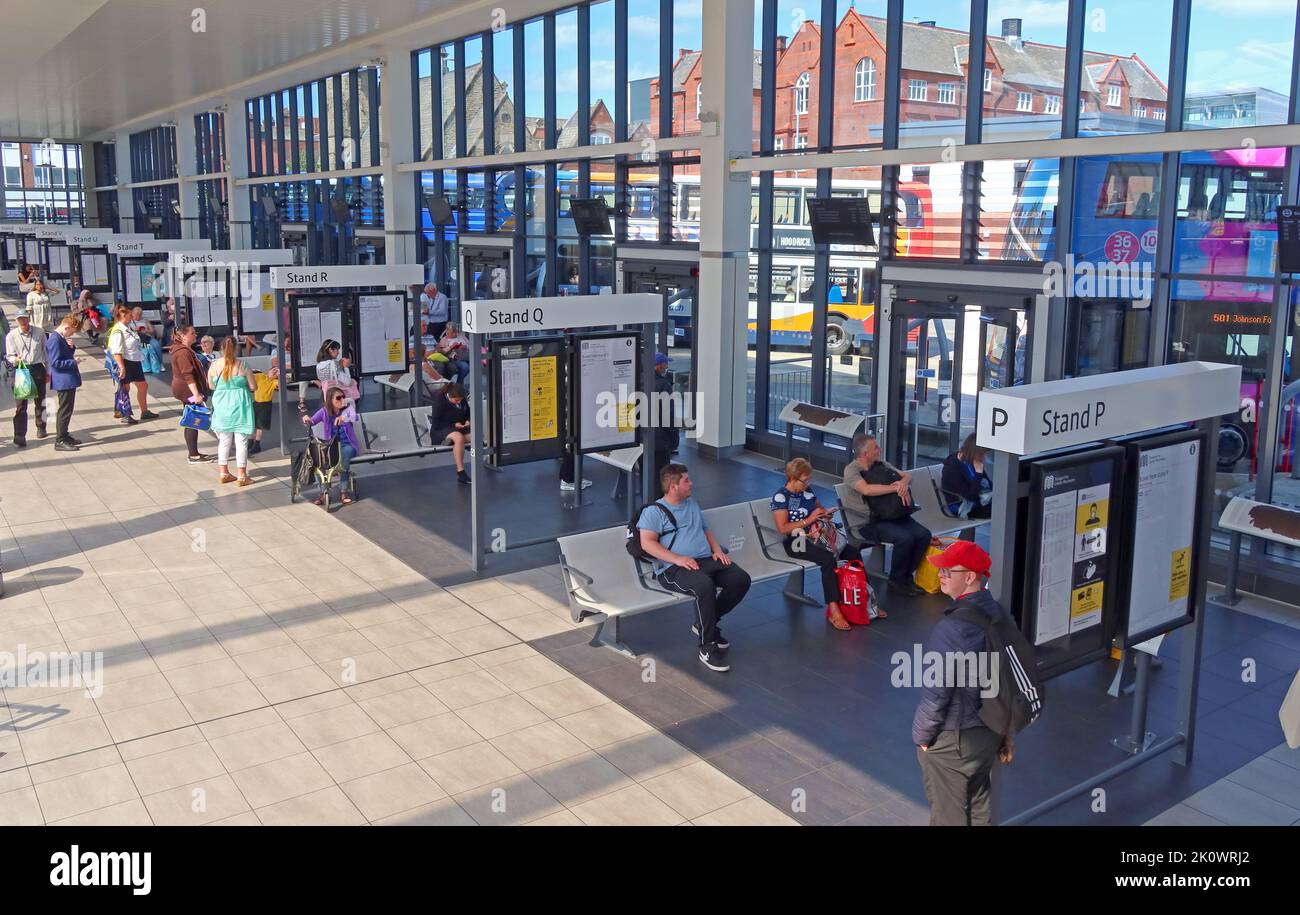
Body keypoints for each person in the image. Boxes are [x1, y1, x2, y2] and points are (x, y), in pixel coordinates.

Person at [912, 541, 1012, 827]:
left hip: (955, 738)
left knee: (948, 816)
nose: (940, 574)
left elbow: (936, 692)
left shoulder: (954, 628)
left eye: (948, 570)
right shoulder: (998, 613)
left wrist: (922, 737)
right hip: (989, 729)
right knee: (980, 803)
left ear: (969, 577)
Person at [637, 463, 751, 673]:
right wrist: (678, 559)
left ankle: (706, 622)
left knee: (741, 579)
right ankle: (707, 646)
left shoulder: (691, 503)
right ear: (673, 486)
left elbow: (705, 529)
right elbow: (647, 543)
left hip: (705, 559)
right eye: (686, 480)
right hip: (672, 569)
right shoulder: (654, 512)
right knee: (704, 587)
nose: (691, 483)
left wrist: (717, 550)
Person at [771, 458, 881, 630]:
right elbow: (783, 528)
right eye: (805, 480)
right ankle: (834, 608)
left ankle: (867, 599)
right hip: (796, 541)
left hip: (817, 536)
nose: (808, 484)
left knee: (852, 553)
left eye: (809, 480)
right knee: (827, 559)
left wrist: (825, 514)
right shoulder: (780, 496)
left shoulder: (808, 492)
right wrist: (809, 520)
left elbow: (819, 510)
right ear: (792, 478)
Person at [842, 433, 931, 598]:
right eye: (875, 447)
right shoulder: (852, 470)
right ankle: (896, 580)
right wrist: (896, 488)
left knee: (924, 535)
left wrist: (902, 484)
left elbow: (907, 476)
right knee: (905, 538)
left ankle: (906, 576)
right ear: (864, 453)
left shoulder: (881, 464)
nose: (879, 450)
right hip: (869, 522)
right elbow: (866, 489)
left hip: (893, 514)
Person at [207, 336, 257, 486]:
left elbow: (210, 386)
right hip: (240, 405)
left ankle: (224, 473)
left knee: (224, 441)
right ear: (236, 348)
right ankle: (242, 476)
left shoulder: (214, 366)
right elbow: (254, 387)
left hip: (221, 405)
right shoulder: (243, 366)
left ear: (221, 349)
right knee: (241, 441)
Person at [302, 387, 359, 506]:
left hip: (348, 445)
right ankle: (323, 493)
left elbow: (354, 416)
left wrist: (343, 417)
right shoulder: (324, 412)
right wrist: (306, 419)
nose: (342, 399)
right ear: (330, 400)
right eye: (338, 398)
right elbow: (312, 421)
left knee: (343, 459)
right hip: (331, 447)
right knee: (318, 462)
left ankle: (344, 492)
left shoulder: (348, 409)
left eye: (343, 397)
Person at [169, 324, 215, 463]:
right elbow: (188, 375)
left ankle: (193, 452)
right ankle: (193, 455)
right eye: (193, 333)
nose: (196, 335)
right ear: (183, 336)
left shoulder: (184, 349)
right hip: (187, 390)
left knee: (191, 419)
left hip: (184, 388)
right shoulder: (183, 352)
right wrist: (196, 394)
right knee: (192, 420)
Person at [4, 309, 48, 446]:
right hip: (22, 369)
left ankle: (41, 426)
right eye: (20, 319)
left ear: (29, 318)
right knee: (21, 405)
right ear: (17, 321)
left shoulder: (39, 332)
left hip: (37, 368)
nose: (23, 321)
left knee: (40, 400)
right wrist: (15, 359)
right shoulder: (11, 336)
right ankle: (19, 435)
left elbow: (46, 352)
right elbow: (9, 355)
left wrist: (48, 371)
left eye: (25, 318)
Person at [106, 305, 154, 422]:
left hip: (134, 361)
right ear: (123, 315)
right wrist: (122, 367)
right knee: (124, 388)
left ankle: (144, 411)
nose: (131, 316)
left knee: (143, 386)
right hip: (125, 362)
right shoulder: (118, 330)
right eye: (129, 314)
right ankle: (124, 413)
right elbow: (117, 351)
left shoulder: (127, 327)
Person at [44, 315, 83, 451]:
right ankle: (60, 440)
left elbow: (63, 354)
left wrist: (71, 348)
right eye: (71, 331)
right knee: (64, 410)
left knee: (67, 408)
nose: (71, 334)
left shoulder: (60, 338)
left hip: (67, 379)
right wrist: (73, 362)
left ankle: (64, 435)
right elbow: (55, 362)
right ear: (66, 327)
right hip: (63, 380)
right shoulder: (54, 339)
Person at [941, 433, 992, 521]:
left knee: (1007, 505)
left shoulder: (972, 460)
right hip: (961, 505)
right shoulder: (952, 468)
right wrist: (978, 474)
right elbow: (970, 496)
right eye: (982, 454)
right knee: (1001, 510)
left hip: (977, 500)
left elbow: (989, 485)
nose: (984, 457)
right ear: (975, 451)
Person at [429, 383, 471, 484]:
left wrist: (468, 421)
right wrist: (454, 425)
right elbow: (436, 423)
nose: (459, 402)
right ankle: (460, 471)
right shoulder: (440, 402)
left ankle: (452, 442)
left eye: (460, 400)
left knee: (475, 437)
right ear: (449, 396)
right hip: (441, 429)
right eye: (456, 400)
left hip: (459, 428)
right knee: (459, 438)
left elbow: (468, 413)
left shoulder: (462, 400)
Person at [651, 352, 679, 487]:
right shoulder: (664, 385)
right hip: (660, 441)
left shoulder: (639, 381)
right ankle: (661, 506)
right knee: (662, 477)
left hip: (643, 440)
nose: (667, 366)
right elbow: (668, 416)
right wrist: (674, 439)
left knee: (648, 477)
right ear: (659, 366)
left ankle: (648, 505)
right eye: (665, 363)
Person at [249, 356, 279, 455]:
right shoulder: (261, 376)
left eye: (276, 372)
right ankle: (250, 441)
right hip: (256, 402)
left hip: (266, 404)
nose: (274, 373)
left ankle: (257, 444)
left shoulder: (274, 382)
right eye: (273, 371)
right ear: (269, 371)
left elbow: (280, 385)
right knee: (252, 422)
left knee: (260, 425)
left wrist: (281, 376)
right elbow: (251, 376)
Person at [130, 305, 163, 374]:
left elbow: (152, 331)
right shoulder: (129, 321)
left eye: (140, 315)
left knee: (156, 345)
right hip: (136, 339)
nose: (138, 317)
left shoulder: (145, 320)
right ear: (132, 314)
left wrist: (146, 331)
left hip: (147, 337)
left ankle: (159, 363)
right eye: (136, 315)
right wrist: (134, 331)